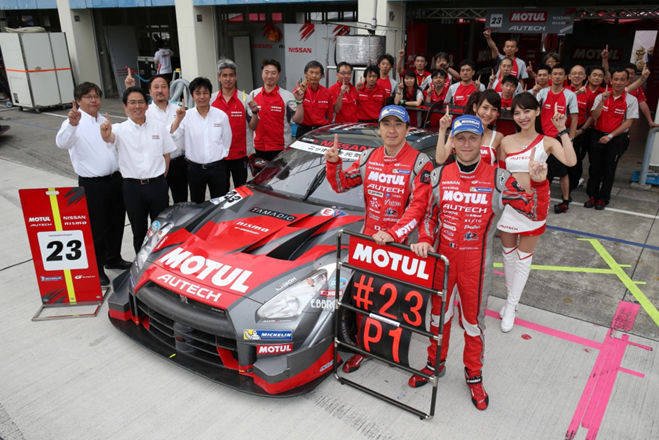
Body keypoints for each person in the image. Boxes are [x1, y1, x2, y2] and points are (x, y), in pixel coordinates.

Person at [373, 114, 550, 409]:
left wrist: (540, 185)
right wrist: (426, 239)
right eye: (460, 138)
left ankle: (474, 375)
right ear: (452, 143)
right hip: (443, 260)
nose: (466, 144)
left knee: (473, 324)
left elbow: (534, 212)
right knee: (438, 318)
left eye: (472, 138)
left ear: (481, 141)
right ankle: (434, 363)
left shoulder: (499, 178)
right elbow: (429, 216)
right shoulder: (439, 175)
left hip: (475, 264)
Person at [325, 105, 433, 374]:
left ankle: (388, 350)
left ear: (407, 129)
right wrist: (333, 163)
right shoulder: (368, 157)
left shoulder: (420, 162)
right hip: (369, 242)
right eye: (387, 124)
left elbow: (419, 207)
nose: (392, 130)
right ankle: (364, 349)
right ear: (379, 129)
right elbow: (341, 184)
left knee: (395, 303)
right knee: (365, 300)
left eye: (398, 124)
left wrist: (393, 234)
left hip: (400, 245)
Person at [497, 92, 574, 331]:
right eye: (517, 113)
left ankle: (511, 306)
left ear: (537, 112)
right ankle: (511, 301)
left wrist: (562, 130)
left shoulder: (548, 141)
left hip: (535, 202)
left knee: (523, 258)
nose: (522, 117)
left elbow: (571, 161)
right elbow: (501, 174)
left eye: (527, 111)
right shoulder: (506, 141)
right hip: (510, 203)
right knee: (508, 254)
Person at [55, 83, 130, 286]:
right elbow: (61, 143)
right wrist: (72, 124)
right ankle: (97, 268)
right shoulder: (73, 123)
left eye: (96, 96)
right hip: (93, 184)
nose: (94, 100)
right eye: (88, 97)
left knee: (116, 222)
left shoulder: (103, 120)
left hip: (114, 180)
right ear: (78, 101)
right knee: (97, 228)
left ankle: (113, 258)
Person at [100, 86, 176, 253]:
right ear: (125, 106)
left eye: (141, 102)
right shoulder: (119, 129)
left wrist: (162, 177)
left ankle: (158, 261)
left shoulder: (159, 127)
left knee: (161, 229)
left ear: (147, 105)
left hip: (157, 185)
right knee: (139, 231)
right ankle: (140, 264)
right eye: (132, 102)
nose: (137, 106)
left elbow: (167, 154)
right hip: (132, 188)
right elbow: (109, 138)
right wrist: (105, 134)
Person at [125, 71, 188, 203]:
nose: (160, 90)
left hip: (179, 163)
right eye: (156, 87)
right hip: (157, 165)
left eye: (163, 87)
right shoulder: (144, 112)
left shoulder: (179, 109)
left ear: (169, 90)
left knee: (181, 202)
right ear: (150, 91)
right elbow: (131, 117)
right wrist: (130, 88)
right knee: (160, 203)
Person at [170, 77, 232, 203]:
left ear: (210, 95)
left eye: (205, 93)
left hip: (217, 168)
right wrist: (178, 119)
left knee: (219, 203)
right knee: (197, 204)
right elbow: (173, 135)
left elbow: (227, 139)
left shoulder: (221, 115)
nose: (202, 96)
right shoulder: (186, 116)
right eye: (198, 93)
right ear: (192, 95)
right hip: (195, 169)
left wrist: (221, 154)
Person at [585, 67, 639, 210]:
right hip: (597, 135)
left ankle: (603, 198)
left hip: (617, 138)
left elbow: (628, 122)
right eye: (616, 79)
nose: (618, 82)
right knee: (594, 167)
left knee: (609, 168)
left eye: (622, 80)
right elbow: (594, 116)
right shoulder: (601, 96)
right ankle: (592, 195)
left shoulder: (631, 100)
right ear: (611, 81)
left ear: (627, 81)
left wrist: (610, 136)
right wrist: (602, 102)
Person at [534, 65, 578, 213]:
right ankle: (541, 198)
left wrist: (570, 139)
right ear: (550, 76)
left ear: (565, 77)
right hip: (543, 138)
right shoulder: (542, 93)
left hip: (559, 138)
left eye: (560, 74)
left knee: (563, 171)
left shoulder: (570, 95)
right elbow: (534, 112)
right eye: (555, 74)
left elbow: (574, 118)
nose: (557, 76)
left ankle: (565, 200)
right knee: (541, 169)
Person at [211, 58, 257, 190]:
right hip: (219, 155)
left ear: (236, 77)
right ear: (219, 77)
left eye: (231, 75)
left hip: (240, 155)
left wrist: (255, 112)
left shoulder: (245, 98)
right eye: (224, 75)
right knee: (221, 191)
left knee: (241, 191)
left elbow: (253, 126)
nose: (228, 79)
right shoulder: (212, 99)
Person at [436, 90, 503, 166]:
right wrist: (442, 129)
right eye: (485, 107)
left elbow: (500, 167)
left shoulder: (498, 137)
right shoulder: (458, 131)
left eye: (494, 109)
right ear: (475, 107)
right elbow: (440, 160)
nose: (488, 113)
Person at [249, 59, 297, 161]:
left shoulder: (287, 96)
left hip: (281, 148)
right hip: (258, 147)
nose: (269, 76)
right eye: (266, 72)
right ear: (262, 73)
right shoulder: (253, 95)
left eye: (273, 73)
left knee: (280, 172)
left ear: (278, 75)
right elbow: (250, 124)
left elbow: (297, 119)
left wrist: (299, 101)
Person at [292, 60, 333, 138]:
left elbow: (330, 115)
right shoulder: (298, 91)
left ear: (321, 75)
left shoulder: (327, 93)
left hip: (321, 131)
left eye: (317, 73)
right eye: (311, 72)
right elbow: (294, 115)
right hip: (303, 130)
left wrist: (328, 129)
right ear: (306, 74)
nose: (314, 76)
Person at [623, 64, 657, 128]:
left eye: (632, 74)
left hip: (628, 121)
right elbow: (627, 90)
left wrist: (650, 121)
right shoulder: (616, 85)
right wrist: (643, 78)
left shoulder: (638, 88)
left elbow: (642, 104)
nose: (629, 76)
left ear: (634, 75)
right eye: (628, 73)